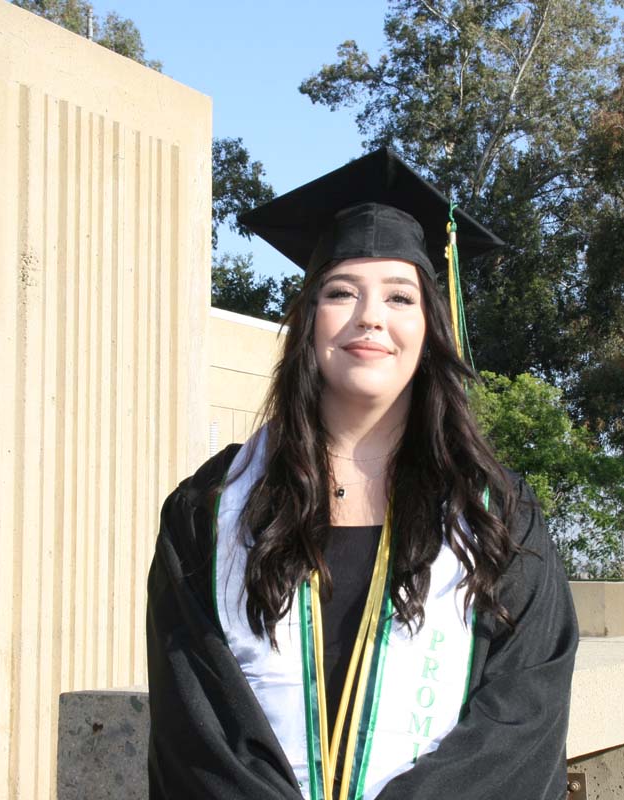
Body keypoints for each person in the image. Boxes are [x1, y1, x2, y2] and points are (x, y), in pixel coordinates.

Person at [146, 147, 578, 800]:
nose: (370, 317)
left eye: (400, 296)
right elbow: (197, 728)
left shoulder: (496, 517)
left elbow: (521, 719)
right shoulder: (210, 512)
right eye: (341, 292)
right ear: (306, 321)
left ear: (430, 325)